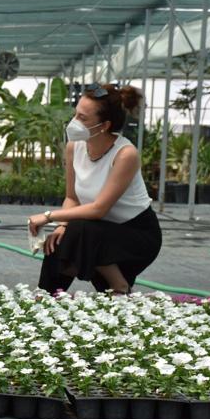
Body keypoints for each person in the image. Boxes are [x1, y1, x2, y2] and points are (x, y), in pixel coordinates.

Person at [28, 83, 161, 294]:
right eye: (75, 114)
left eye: (83, 118)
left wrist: (48, 216)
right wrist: (61, 225)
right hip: (98, 231)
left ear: (104, 125)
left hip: (134, 235)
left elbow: (99, 209)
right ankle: (46, 296)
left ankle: (119, 286)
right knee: (59, 239)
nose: (74, 122)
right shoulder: (74, 147)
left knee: (80, 229)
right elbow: (72, 197)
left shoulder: (125, 154)